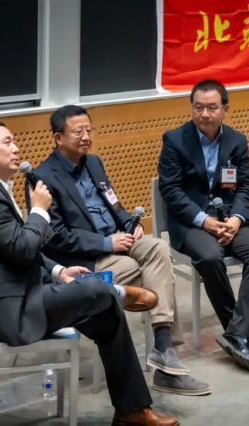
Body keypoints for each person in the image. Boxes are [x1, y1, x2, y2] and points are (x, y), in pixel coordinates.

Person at [0, 122, 179, 426]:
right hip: (10, 313)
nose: (16, 149)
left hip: (20, 295)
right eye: (7, 143)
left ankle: (131, 409)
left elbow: (19, 248)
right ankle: (117, 292)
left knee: (108, 314)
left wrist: (58, 270)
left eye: (14, 141)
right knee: (97, 290)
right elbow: (23, 248)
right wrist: (39, 211)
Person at [30, 105, 210, 396]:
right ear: (58, 138)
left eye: (89, 130)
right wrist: (106, 243)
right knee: (156, 273)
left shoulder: (94, 163)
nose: (86, 137)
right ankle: (165, 359)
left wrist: (129, 223)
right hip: (86, 260)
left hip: (120, 241)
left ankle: (163, 348)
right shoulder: (43, 178)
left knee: (158, 247)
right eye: (78, 132)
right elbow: (54, 238)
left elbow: (114, 205)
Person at [157, 79, 249, 371]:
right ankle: (238, 332)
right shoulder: (175, 139)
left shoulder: (237, 140)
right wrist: (203, 220)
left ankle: (236, 334)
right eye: (198, 107)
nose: (204, 114)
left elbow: (245, 186)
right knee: (209, 257)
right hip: (191, 222)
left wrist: (237, 218)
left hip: (229, 217)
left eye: (211, 107)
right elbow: (170, 190)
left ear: (225, 109)